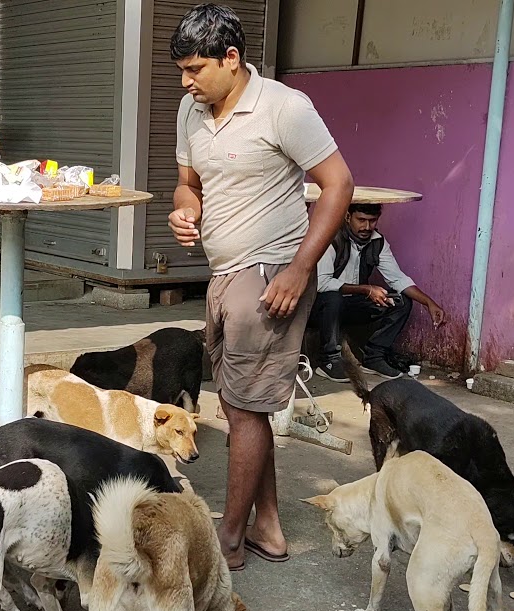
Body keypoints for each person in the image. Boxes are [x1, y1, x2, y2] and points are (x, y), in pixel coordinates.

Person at [167, 4, 354, 570]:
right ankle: (267, 527)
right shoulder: (191, 109)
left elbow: (338, 184)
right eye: (181, 70)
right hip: (224, 274)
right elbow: (187, 184)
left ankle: (228, 539)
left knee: (244, 411)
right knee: (238, 401)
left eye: (196, 68)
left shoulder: (284, 108)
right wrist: (185, 211)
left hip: (271, 272)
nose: (186, 81)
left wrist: (299, 269)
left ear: (232, 57)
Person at [311, 203, 448, 382]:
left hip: (352, 306)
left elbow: (397, 279)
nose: (367, 227)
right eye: (361, 220)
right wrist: (366, 289)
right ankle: (329, 360)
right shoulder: (331, 238)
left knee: (400, 301)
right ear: (347, 217)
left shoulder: (378, 242)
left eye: (372, 221)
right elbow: (321, 283)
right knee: (332, 297)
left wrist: (429, 303)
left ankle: (374, 356)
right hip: (320, 309)